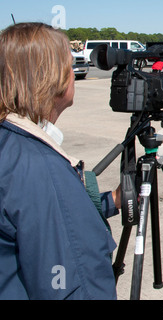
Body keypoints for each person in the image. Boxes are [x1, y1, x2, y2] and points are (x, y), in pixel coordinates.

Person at [0, 23, 120, 300]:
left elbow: (33, 218)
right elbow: (73, 281)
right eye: (68, 66)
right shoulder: (39, 165)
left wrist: (108, 202)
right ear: (52, 79)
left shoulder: (12, 145)